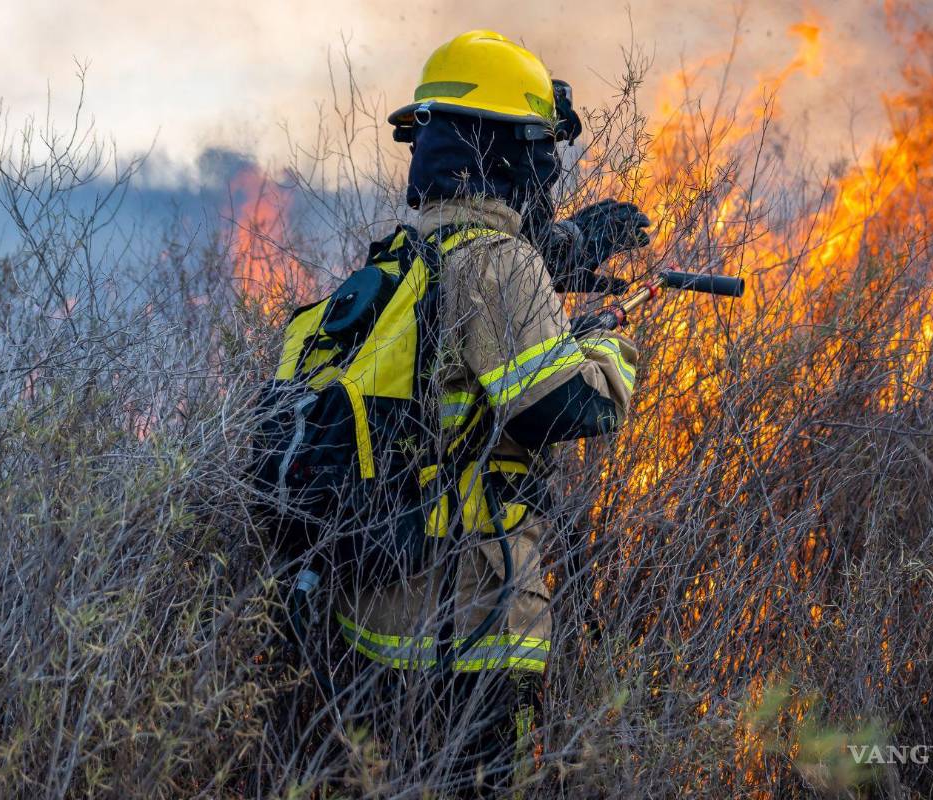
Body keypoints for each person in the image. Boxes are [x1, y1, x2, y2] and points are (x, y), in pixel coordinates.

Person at [275, 30, 651, 796]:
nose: (549, 166)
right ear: (512, 151)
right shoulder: (497, 262)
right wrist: (611, 352)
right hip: (470, 625)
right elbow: (563, 408)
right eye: (540, 144)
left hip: (373, 621)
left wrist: (567, 254)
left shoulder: (398, 258)